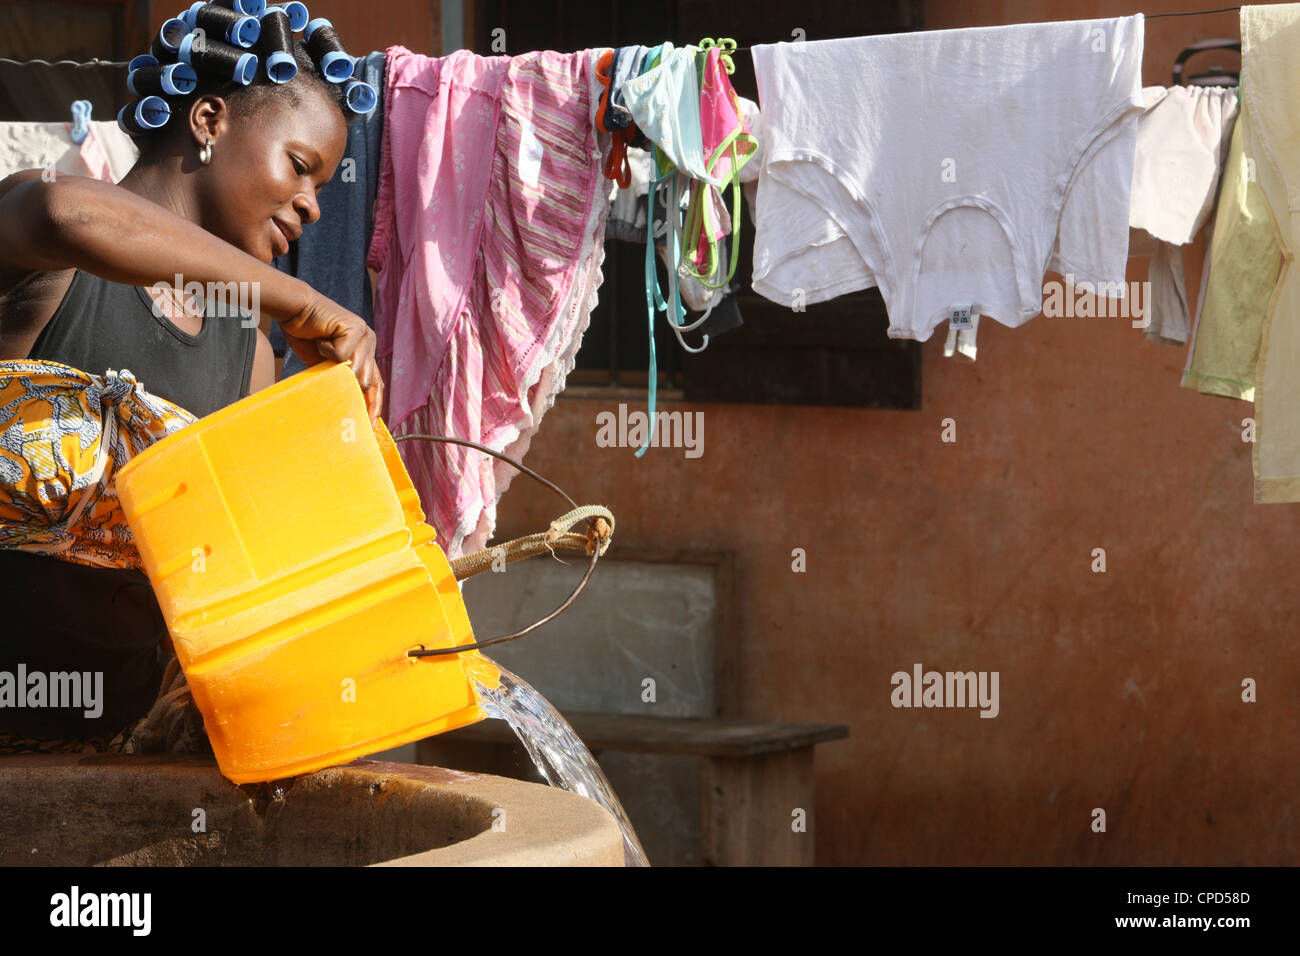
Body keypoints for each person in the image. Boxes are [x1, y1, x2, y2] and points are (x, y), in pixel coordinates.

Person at [0, 29, 382, 750]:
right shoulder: (48, 243)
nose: (312, 206)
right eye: (299, 168)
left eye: (323, 188)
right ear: (209, 121)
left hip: (113, 763)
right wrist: (298, 299)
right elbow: (64, 214)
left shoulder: (248, 354)